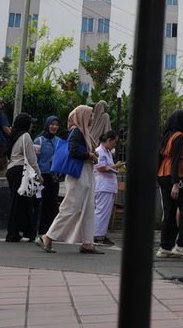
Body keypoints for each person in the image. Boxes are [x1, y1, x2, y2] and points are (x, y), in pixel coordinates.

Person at [39, 105, 103, 254]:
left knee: (88, 208)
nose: (92, 118)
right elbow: (73, 151)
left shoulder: (83, 132)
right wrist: (89, 155)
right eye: (90, 115)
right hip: (78, 175)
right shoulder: (77, 131)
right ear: (83, 116)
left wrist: (90, 155)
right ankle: (48, 236)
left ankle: (87, 242)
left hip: (85, 173)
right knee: (71, 207)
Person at [156, 110, 183, 259]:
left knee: (170, 211)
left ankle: (165, 246)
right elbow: (175, 161)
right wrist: (175, 183)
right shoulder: (179, 137)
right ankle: (181, 244)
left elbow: (160, 157)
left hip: (162, 174)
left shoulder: (167, 135)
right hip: (175, 176)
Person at [5, 113, 40, 243]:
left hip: (12, 171)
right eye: (30, 123)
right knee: (20, 204)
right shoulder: (25, 136)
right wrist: (39, 175)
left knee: (23, 203)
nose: (32, 125)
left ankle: (28, 232)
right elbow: (31, 159)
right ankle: (13, 233)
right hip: (21, 172)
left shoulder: (13, 135)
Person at [33, 115, 64, 235]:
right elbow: (34, 160)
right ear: (47, 125)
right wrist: (37, 175)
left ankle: (49, 231)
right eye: (52, 124)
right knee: (38, 203)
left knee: (52, 204)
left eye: (56, 124)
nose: (54, 127)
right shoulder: (39, 140)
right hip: (41, 177)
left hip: (54, 177)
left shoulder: (59, 141)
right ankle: (37, 229)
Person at [94, 130, 123, 247]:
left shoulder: (107, 152)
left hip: (108, 185)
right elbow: (101, 168)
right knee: (101, 211)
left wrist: (115, 167)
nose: (114, 145)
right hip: (103, 185)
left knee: (105, 212)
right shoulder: (99, 151)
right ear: (109, 140)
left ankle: (101, 234)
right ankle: (97, 235)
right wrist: (116, 166)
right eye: (114, 142)